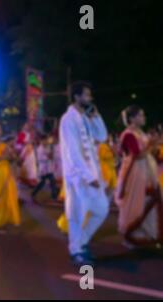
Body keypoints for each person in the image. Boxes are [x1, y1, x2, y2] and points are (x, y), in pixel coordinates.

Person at [59, 81, 109, 266]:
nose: (90, 98)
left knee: (102, 210)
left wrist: (96, 117)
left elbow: (102, 136)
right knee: (77, 215)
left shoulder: (86, 118)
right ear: (77, 97)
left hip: (93, 175)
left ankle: (82, 242)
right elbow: (72, 152)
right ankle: (76, 250)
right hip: (78, 177)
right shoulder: (68, 119)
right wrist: (88, 177)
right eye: (86, 95)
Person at [115, 106, 163, 248]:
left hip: (146, 169)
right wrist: (151, 144)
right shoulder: (128, 134)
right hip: (135, 171)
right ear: (132, 119)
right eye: (141, 115)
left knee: (148, 200)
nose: (144, 118)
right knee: (135, 202)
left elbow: (147, 152)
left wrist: (154, 145)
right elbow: (137, 155)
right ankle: (131, 235)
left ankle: (147, 235)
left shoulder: (140, 132)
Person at [31, 135, 59, 201]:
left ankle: (54, 196)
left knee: (52, 181)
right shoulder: (39, 149)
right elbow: (40, 159)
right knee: (42, 183)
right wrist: (48, 157)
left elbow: (51, 156)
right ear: (41, 141)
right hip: (43, 168)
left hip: (48, 168)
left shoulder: (47, 147)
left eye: (46, 140)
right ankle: (33, 193)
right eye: (44, 140)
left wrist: (51, 156)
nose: (46, 142)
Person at [98, 134, 118, 200]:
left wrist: (114, 151)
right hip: (105, 171)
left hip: (111, 171)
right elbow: (105, 156)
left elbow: (115, 157)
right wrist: (112, 150)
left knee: (110, 192)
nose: (109, 138)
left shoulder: (108, 146)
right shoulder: (102, 146)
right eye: (108, 137)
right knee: (105, 193)